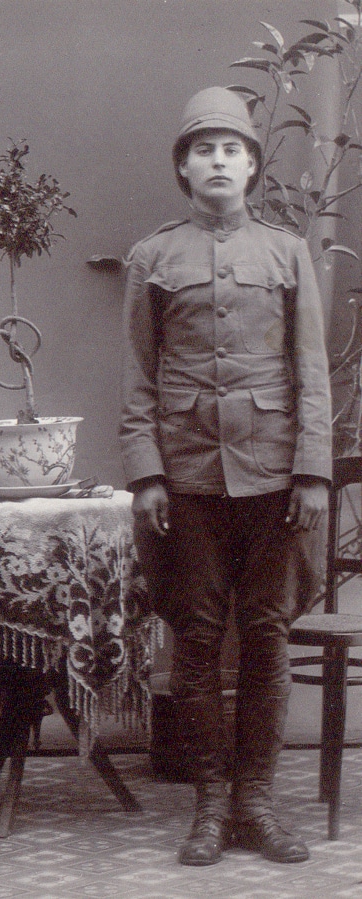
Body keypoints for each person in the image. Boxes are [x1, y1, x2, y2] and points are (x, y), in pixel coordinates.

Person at [120, 86, 332, 866]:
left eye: (231, 149)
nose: (218, 160)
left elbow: (310, 368)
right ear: (183, 166)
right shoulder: (154, 258)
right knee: (199, 638)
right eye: (202, 149)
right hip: (189, 479)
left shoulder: (284, 252)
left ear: (251, 166)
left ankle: (257, 803)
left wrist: (312, 472)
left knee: (267, 635)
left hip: (275, 475)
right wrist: (147, 476)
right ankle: (210, 805)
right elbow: (139, 379)